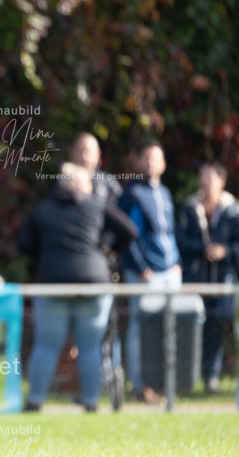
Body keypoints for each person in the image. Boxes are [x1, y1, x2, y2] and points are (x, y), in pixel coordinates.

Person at [17, 163, 137, 411]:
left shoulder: (44, 209)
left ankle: (34, 401)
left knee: (46, 345)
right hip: (92, 284)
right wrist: (109, 248)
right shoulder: (96, 206)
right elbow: (129, 230)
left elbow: (23, 244)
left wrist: (47, 253)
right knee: (90, 346)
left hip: (53, 285)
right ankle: (91, 403)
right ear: (83, 185)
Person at [176, 161, 239, 394]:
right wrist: (203, 249)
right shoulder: (189, 208)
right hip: (195, 279)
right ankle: (187, 378)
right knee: (191, 327)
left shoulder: (234, 210)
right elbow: (180, 241)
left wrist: (224, 251)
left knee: (217, 328)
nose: (205, 181)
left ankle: (211, 377)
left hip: (222, 281)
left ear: (222, 181)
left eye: (210, 176)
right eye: (202, 176)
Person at [117, 141, 182, 403]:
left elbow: (168, 233)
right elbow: (126, 236)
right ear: (138, 161)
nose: (152, 163)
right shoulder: (131, 194)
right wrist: (141, 268)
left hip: (170, 272)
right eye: (147, 158)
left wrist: (176, 262)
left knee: (170, 328)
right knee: (140, 328)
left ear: (164, 164)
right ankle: (141, 385)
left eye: (157, 158)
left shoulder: (164, 192)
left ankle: (167, 383)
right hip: (146, 275)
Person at [70, 132, 123, 208]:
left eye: (88, 152)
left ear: (98, 155)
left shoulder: (108, 183)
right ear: (72, 152)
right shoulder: (63, 182)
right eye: (80, 151)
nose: (84, 157)